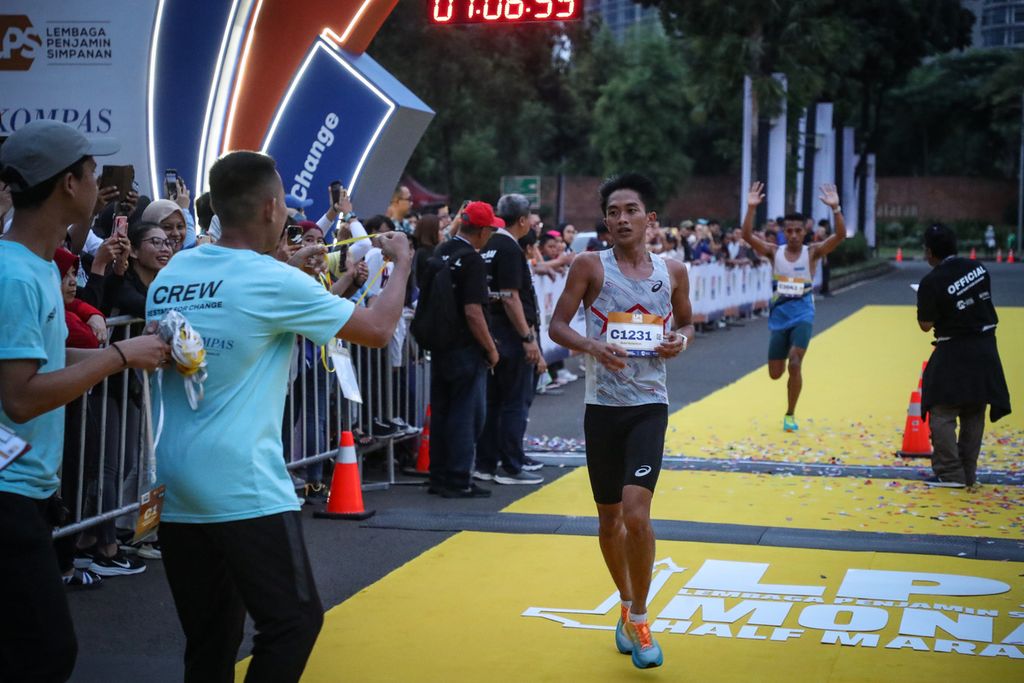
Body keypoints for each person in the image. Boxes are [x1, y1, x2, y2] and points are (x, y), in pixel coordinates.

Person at [144, 150, 411, 683]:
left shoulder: (175, 270)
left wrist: (290, 264)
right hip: (243, 482)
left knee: (210, 640)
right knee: (293, 622)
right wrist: (402, 262)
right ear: (270, 207)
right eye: (285, 202)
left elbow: (239, 289)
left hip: (173, 480)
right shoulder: (272, 282)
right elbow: (378, 330)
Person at [0, 119, 168, 682]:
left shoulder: (38, 267)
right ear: (68, 184)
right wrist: (119, 358)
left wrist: (127, 352)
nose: (103, 184)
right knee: (46, 652)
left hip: (29, 490)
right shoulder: (17, 275)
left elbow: (42, 366)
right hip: (9, 493)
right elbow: (20, 399)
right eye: (94, 172)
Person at [549, 172, 692, 670]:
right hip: (602, 409)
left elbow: (686, 321)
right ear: (606, 221)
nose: (622, 219)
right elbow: (558, 324)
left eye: (631, 210)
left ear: (650, 219)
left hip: (650, 405)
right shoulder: (591, 266)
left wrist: (682, 340)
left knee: (637, 512)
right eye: (613, 212)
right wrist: (591, 345)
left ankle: (640, 614)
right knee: (609, 519)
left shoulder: (672, 271)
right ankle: (627, 605)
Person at [741, 181, 846, 432]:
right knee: (775, 374)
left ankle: (790, 414)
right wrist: (751, 209)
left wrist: (836, 209)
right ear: (783, 232)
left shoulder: (812, 253)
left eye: (799, 231)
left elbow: (840, 236)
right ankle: (787, 381)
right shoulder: (772, 252)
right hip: (779, 317)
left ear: (804, 232)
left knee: (795, 363)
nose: (794, 235)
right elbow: (746, 236)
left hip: (803, 314)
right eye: (790, 231)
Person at [916, 223, 1011, 487]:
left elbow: (925, 325)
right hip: (985, 347)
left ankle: (949, 473)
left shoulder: (931, 281)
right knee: (974, 408)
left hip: (954, 350)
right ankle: (968, 473)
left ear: (931, 252)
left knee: (942, 410)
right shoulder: (979, 269)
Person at [423, 202, 501, 498]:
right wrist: (491, 348)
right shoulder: (472, 260)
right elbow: (473, 312)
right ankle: (458, 478)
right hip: (465, 348)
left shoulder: (441, 251)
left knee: (442, 411)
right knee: (467, 415)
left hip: (440, 344)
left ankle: (440, 475)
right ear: (482, 230)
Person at [473, 194, 544, 486]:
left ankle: (486, 464)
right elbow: (511, 297)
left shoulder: (486, 243)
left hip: (492, 334)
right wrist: (528, 337)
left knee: (494, 402)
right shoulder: (511, 249)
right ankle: (511, 465)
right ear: (524, 220)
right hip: (512, 336)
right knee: (514, 402)